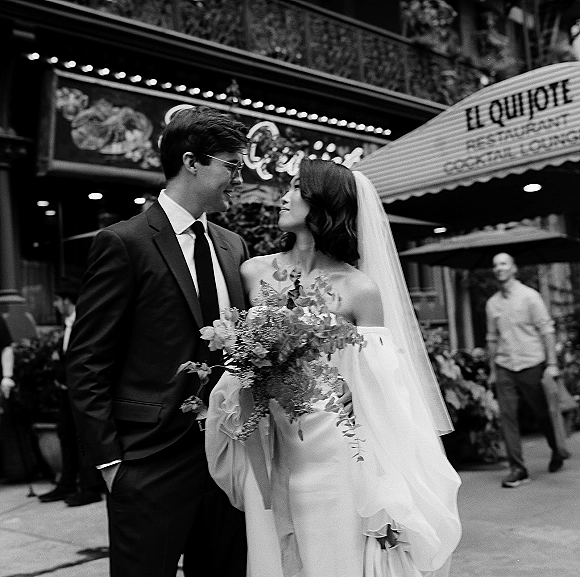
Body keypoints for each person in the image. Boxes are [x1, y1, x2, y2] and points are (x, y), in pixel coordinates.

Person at [206, 159, 462, 577]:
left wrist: (387, 485)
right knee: (272, 552)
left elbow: (385, 395)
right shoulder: (253, 272)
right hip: (269, 439)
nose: (282, 196)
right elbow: (239, 354)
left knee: (333, 555)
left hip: (335, 443)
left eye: (295, 187)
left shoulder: (359, 288)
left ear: (322, 203)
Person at [66, 106, 249, 577]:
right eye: (231, 164)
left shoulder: (233, 246)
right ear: (192, 162)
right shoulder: (124, 242)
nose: (239, 176)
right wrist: (110, 463)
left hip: (228, 459)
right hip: (148, 462)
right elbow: (87, 359)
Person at [486, 252, 570, 488]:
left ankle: (557, 449)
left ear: (514, 268)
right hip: (504, 365)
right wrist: (492, 369)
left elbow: (547, 330)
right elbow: (492, 338)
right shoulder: (492, 304)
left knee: (543, 414)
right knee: (507, 418)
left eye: (503, 264)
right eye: (495, 265)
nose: (498, 268)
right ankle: (518, 468)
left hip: (531, 364)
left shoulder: (530, 297)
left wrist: (552, 364)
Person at [37, 277, 104, 506]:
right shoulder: (67, 324)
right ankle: (66, 484)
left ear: (67, 300)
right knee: (65, 434)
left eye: (57, 300)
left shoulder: (82, 322)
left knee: (83, 439)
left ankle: (90, 488)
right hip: (67, 393)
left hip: (81, 393)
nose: (55, 305)